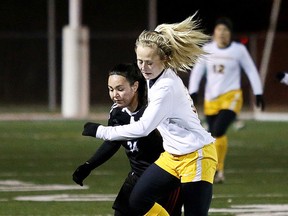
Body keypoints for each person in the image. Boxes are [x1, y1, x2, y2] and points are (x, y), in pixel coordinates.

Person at [81, 14, 218, 216]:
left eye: (148, 63)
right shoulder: (154, 77)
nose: (143, 68)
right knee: (137, 200)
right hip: (172, 155)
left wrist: (101, 131)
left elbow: (144, 127)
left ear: (164, 60)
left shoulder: (166, 87)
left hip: (196, 155)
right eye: (140, 61)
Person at [72, 63, 182, 215]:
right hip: (137, 175)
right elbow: (113, 141)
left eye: (120, 89)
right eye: (111, 89)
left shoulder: (153, 109)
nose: (114, 95)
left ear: (135, 86)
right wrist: (89, 165)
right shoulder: (117, 112)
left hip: (164, 177)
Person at [188, 17, 264, 183]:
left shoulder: (238, 50)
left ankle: (216, 169)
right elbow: (197, 72)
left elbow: (251, 70)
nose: (222, 33)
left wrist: (258, 92)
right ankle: (217, 170)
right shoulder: (207, 49)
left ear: (230, 34)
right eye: (219, 30)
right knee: (212, 136)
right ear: (214, 33)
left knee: (219, 130)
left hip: (232, 96)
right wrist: (192, 92)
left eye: (226, 30)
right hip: (211, 99)